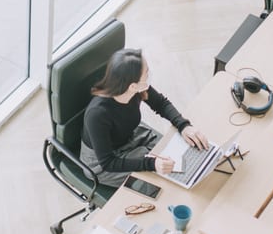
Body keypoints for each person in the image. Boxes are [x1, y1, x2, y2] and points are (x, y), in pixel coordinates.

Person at [80, 49, 209, 188]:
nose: (148, 77)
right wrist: (151, 164)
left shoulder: (135, 88)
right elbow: (108, 162)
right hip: (103, 163)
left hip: (129, 136)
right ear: (132, 86)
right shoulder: (97, 114)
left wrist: (183, 126)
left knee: (178, 152)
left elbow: (161, 103)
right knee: (160, 179)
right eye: (146, 73)